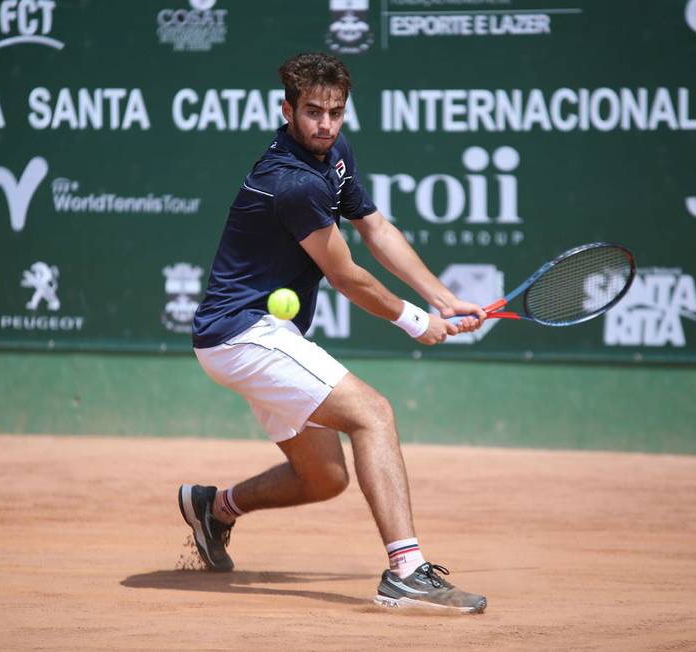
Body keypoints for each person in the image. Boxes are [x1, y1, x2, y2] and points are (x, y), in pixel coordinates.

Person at [181, 52, 487, 613]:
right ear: (288, 110)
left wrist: (442, 297)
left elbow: (375, 227)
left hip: (260, 336)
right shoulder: (291, 182)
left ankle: (215, 508)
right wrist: (417, 322)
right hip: (243, 333)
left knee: (323, 478)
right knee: (374, 414)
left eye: (335, 113)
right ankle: (407, 570)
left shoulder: (333, 154)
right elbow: (345, 274)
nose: (325, 124)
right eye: (313, 112)